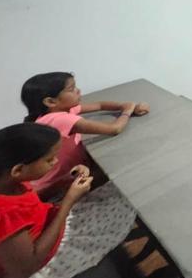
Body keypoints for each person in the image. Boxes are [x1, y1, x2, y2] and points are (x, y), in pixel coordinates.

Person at [0, 123, 135, 278]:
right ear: (18, 170)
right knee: (121, 206)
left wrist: (64, 182)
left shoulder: (7, 183)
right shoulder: (2, 214)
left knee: (114, 193)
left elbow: (28, 203)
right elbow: (25, 269)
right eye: (49, 160)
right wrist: (68, 201)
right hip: (42, 261)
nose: (55, 161)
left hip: (48, 224)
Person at [21, 72, 149, 195]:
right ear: (50, 101)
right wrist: (127, 111)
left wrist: (123, 106)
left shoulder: (59, 111)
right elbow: (114, 129)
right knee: (121, 171)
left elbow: (99, 105)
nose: (78, 90)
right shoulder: (60, 119)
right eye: (71, 89)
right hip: (55, 183)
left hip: (69, 170)